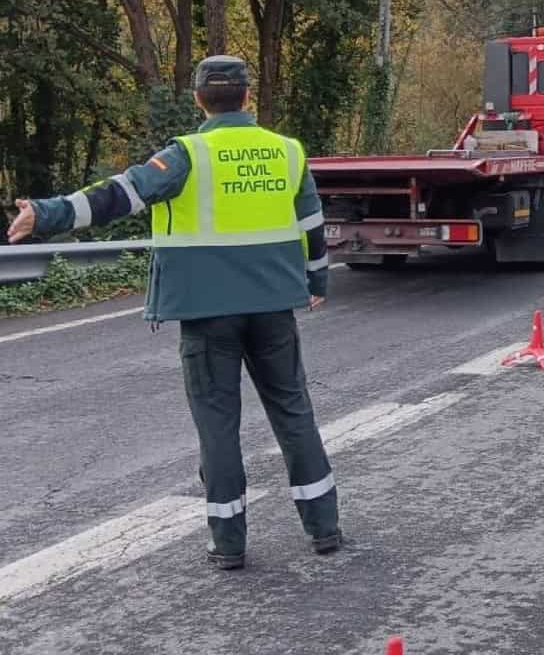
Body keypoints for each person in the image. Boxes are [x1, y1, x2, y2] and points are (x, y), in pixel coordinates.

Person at [6, 56, 341, 571]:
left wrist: (45, 213)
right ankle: (325, 529)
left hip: (207, 315)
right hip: (274, 308)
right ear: (249, 97)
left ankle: (229, 544)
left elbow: (119, 196)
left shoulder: (187, 155)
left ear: (199, 100)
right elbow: (312, 224)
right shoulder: (286, 152)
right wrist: (316, 280)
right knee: (294, 414)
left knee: (218, 426)